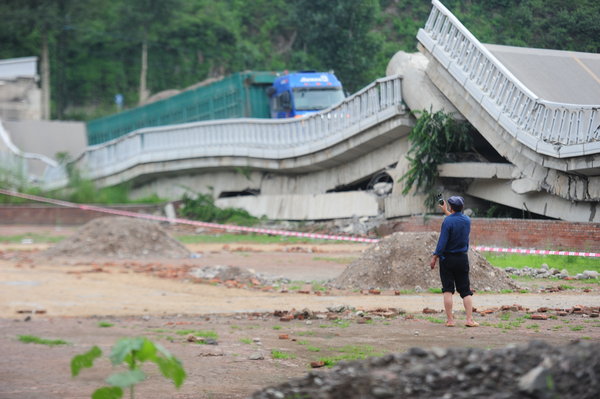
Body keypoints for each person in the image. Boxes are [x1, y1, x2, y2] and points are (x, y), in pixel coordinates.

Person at [429, 196, 478, 327]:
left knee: (448, 290)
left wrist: (435, 257)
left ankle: (450, 320)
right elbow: (457, 219)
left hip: (447, 259)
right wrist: (447, 211)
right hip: (462, 258)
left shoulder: (447, 222)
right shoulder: (467, 220)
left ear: (451, 207)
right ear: (462, 207)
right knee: (465, 291)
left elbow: (442, 242)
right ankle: (469, 320)